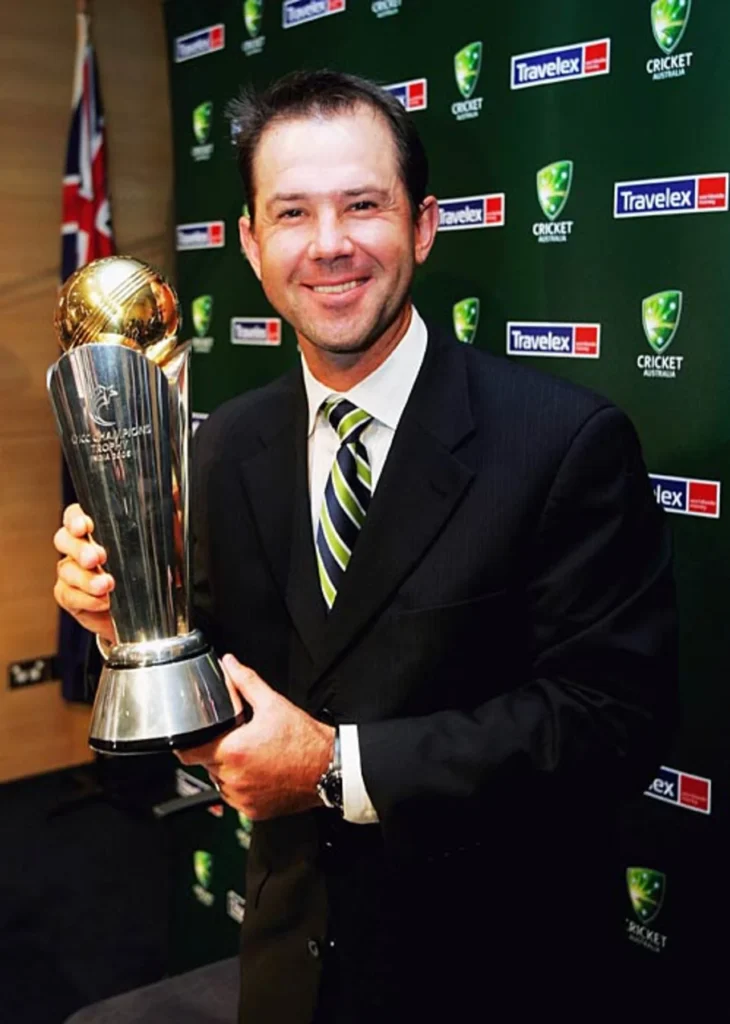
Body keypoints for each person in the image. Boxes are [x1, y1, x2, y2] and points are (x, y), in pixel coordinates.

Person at [54, 71, 677, 1023]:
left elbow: (610, 723)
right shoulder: (221, 446)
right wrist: (129, 620)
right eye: (292, 213)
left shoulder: (562, 443)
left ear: (423, 226)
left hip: (503, 973)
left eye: (363, 205)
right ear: (252, 247)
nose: (330, 244)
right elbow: (222, 686)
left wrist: (333, 768)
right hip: (293, 966)